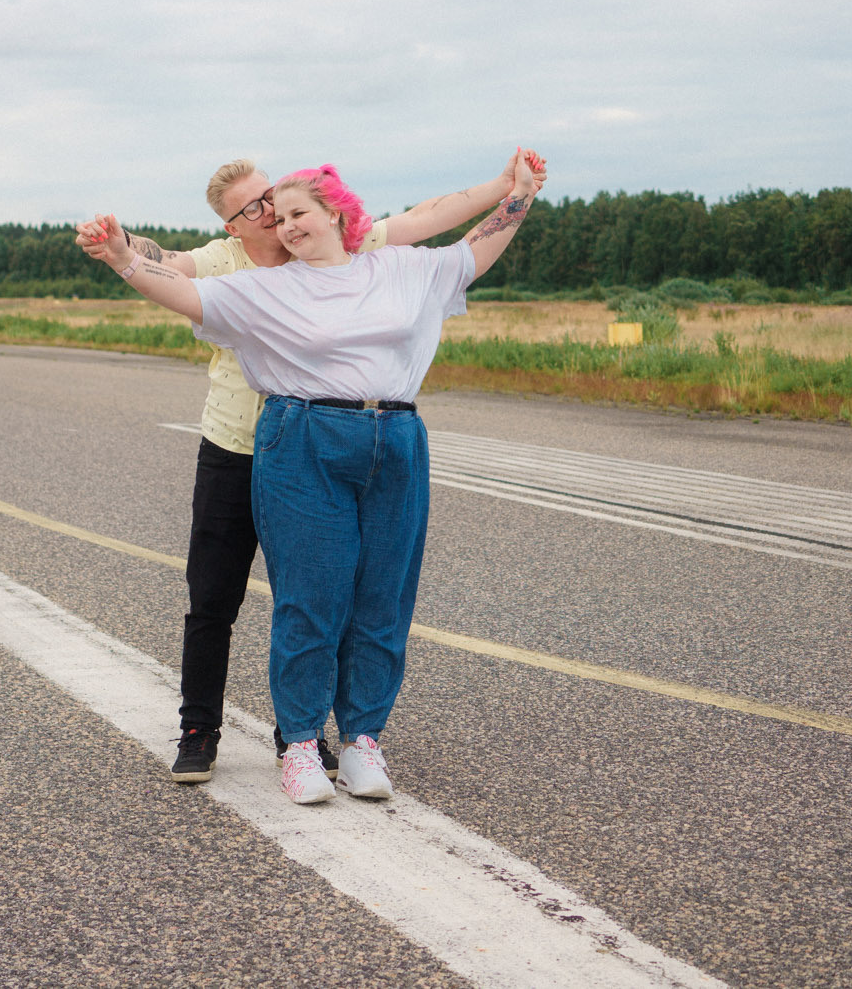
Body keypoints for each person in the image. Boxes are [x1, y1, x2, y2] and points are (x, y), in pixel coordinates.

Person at [79, 152, 542, 804]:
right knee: (304, 598)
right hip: (295, 438)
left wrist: (517, 194)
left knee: (382, 600)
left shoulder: (395, 263)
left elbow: (467, 246)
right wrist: (122, 256)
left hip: (395, 436)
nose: (283, 221)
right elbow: (180, 285)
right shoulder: (257, 282)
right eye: (273, 213)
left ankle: (361, 741)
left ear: (338, 214)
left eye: (297, 210)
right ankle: (293, 742)